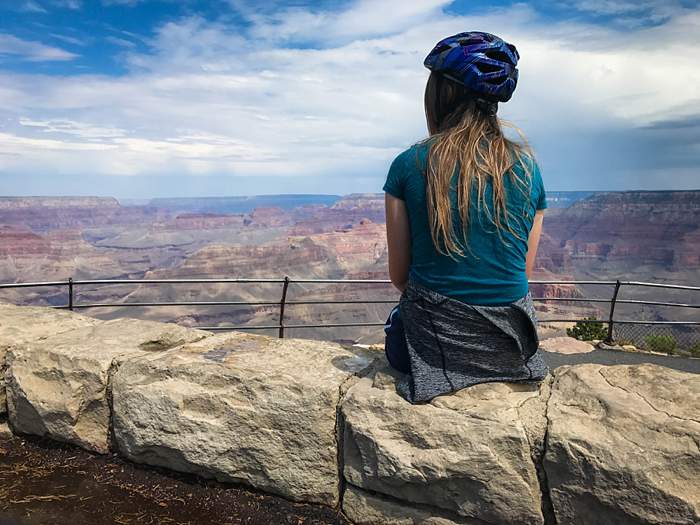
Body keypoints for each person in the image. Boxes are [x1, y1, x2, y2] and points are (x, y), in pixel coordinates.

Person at [382, 31, 549, 404]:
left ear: (441, 94)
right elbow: (521, 274)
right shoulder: (528, 169)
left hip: (430, 349)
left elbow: (399, 277)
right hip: (512, 349)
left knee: (395, 324)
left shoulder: (408, 165)